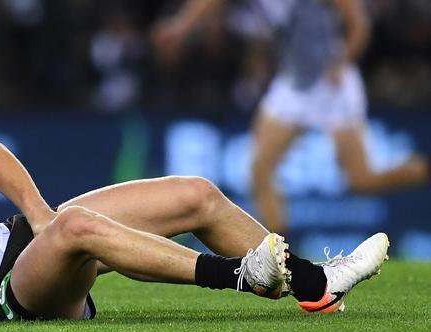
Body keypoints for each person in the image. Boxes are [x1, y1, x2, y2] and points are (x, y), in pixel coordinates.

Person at [0, 73, 388, 324]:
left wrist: (40, 213)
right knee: (77, 229)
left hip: (17, 245)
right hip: (2, 296)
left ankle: (317, 286)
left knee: (195, 193)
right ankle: (242, 275)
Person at [153, 0, 429, 233]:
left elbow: (359, 25)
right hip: (294, 85)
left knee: (362, 182)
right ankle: (281, 255)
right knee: (259, 170)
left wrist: (340, 63)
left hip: (331, 85)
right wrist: (182, 25)